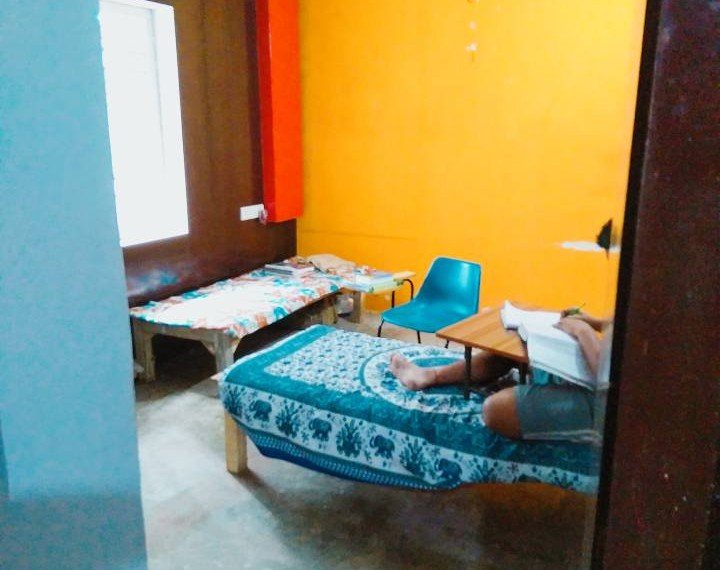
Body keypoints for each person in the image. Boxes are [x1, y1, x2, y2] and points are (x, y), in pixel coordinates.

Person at [389, 310, 612, 441]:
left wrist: (584, 332)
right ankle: (430, 375)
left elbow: (608, 378)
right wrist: (594, 322)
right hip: (597, 362)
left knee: (495, 410)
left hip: (605, 399)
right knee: (514, 349)